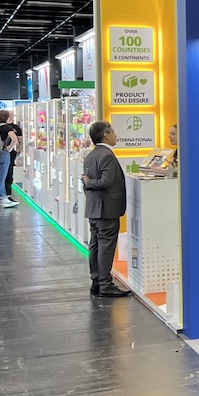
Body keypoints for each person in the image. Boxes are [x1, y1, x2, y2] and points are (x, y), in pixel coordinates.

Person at [81, 121, 128, 298]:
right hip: (106, 210)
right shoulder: (107, 155)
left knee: (95, 245)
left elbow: (88, 180)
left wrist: (87, 182)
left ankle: (96, 281)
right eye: (113, 132)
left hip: (94, 209)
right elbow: (105, 182)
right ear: (106, 135)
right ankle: (105, 284)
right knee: (106, 247)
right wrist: (89, 182)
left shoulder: (90, 155)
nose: (116, 135)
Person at [0, 111, 23, 200]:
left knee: (9, 172)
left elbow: (20, 140)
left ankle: (7, 194)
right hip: (0, 152)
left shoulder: (16, 128)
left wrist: (17, 151)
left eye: (12, 115)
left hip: (10, 153)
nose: (11, 116)